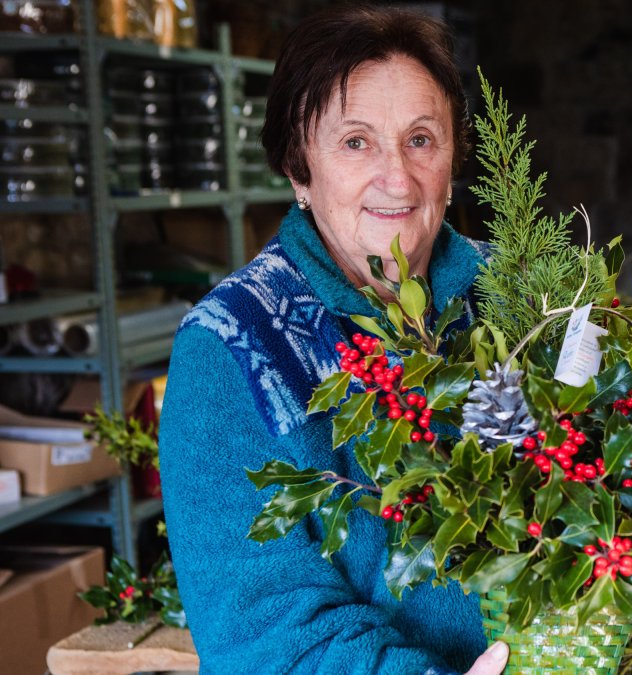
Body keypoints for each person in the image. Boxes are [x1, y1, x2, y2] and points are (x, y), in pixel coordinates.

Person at [158, 5, 508, 673]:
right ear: (299, 169)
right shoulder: (227, 348)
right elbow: (265, 632)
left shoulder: (520, 296)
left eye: (421, 139)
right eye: (356, 142)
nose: (398, 179)